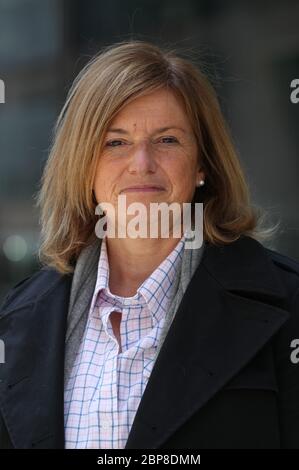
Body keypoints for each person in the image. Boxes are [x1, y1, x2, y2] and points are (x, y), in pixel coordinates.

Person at [0, 40, 299, 450]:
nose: (141, 163)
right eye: (115, 142)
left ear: (202, 165)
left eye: (168, 140)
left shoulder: (288, 306)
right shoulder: (15, 323)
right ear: (82, 166)